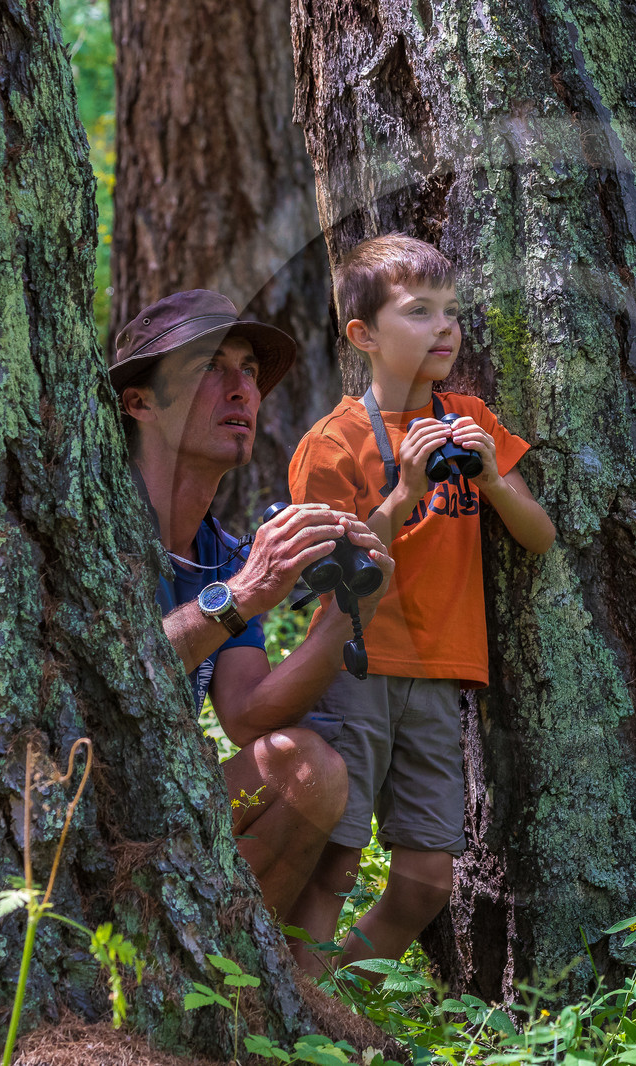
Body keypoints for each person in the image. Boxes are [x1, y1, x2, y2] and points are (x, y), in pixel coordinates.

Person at [283, 235, 555, 976]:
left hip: (441, 673)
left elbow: (539, 537)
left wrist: (495, 480)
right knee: (335, 862)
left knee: (428, 881)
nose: (445, 328)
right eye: (420, 311)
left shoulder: (471, 416)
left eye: (452, 312)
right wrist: (402, 493)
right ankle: (302, 1018)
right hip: (357, 669)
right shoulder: (333, 443)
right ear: (363, 335)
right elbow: (337, 570)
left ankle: (325, 995)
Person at [109, 288, 395, 918]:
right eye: (210, 367)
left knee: (308, 769)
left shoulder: (224, 555)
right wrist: (240, 596)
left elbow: (245, 715)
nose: (241, 390)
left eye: (249, 371)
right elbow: (107, 678)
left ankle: (246, 989)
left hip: (163, 797)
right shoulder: (99, 525)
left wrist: (342, 623)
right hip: (73, 804)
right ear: (140, 402)